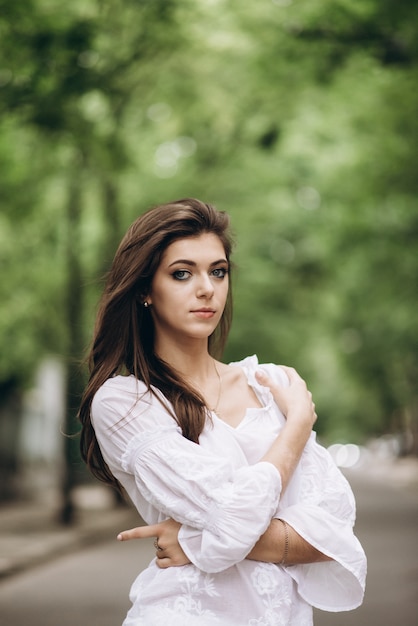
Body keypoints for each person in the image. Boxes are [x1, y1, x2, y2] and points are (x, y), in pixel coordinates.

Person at [78, 198, 366, 626]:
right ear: (144, 290)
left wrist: (193, 539)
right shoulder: (126, 402)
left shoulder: (270, 385)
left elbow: (336, 534)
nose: (207, 288)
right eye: (181, 273)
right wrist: (297, 430)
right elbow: (230, 517)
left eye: (218, 271)